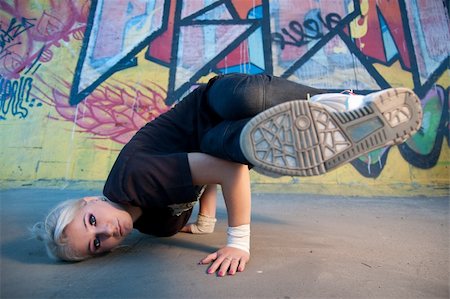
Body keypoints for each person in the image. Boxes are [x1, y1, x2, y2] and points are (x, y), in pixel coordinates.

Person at [32, 73, 422, 277]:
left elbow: (225, 173)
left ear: (89, 201)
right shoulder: (152, 225)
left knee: (247, 100)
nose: (107, 232)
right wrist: (203, 221)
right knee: (250, 146)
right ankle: (335, 115)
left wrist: (239, 242)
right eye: (97, 244)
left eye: (92, 222)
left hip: (211, 103)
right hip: (216, 141)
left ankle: (356, 104)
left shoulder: (134, 179)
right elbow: (205, 175)